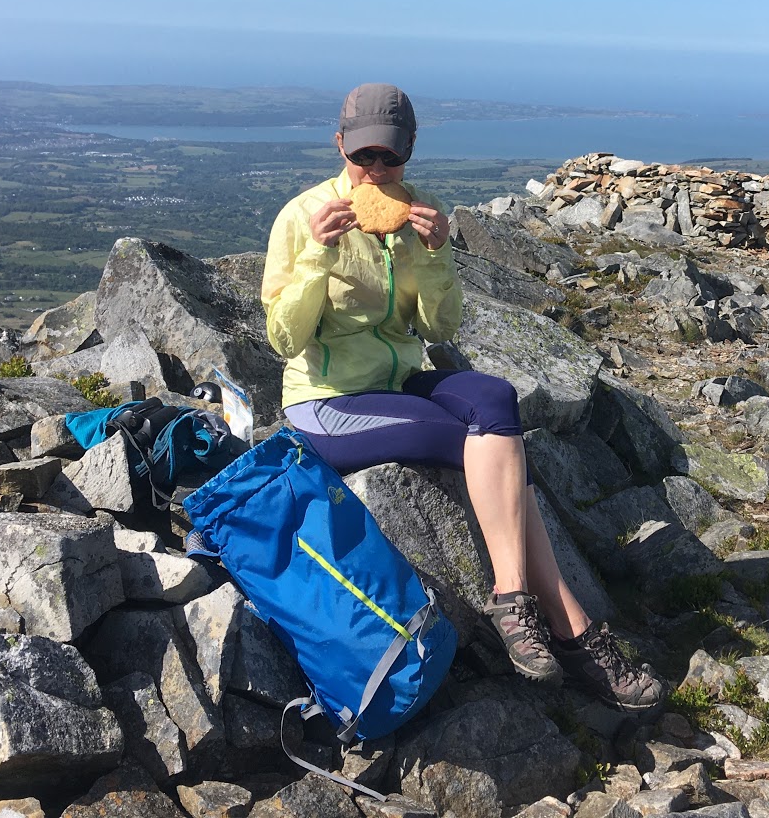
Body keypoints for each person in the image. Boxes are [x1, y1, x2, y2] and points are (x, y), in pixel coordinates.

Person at [261, 83, 661, 711]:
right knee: (483, 448)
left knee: (494, 400)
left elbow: (440, 327)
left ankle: (512, 598)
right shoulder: (302, 217)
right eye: (363, 156)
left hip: (396, 381)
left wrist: (436, 254)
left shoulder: (422, 212)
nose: (376, 171)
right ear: (339, 146)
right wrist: (317, 254)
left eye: (390, 157)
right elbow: (285, 339)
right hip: (325, 400)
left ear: (410, 150)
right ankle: (572, 630)